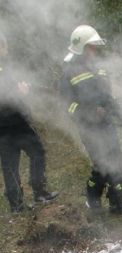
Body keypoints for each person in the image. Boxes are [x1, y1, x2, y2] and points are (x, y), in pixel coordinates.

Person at [60, 25, 122, 214]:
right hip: (88, 128)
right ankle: (93, 202)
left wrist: (120, 114)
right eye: (91, 46)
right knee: (101, 166)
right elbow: (67, 105)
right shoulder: (69, 72)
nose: (95, 50)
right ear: (82, 47)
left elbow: (108, 97)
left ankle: (117, 205)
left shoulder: (99, 68)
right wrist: (88, 112)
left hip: (107, 124)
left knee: (117, 164)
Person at [0, 32, 57, 213]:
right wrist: (21, 92)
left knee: (11, 166)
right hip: (14, 123)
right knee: (36, 153)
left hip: (11, 124)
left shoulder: (7, 66)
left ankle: (19, 205)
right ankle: (37, 194)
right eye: (5, 46)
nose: (6, 49)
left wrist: (24, 87)